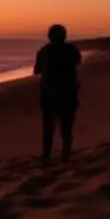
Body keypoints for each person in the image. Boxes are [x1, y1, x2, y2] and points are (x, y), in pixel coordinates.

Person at [33, 24, 82, 164]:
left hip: (49, 93)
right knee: (66, 127)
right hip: (68, 92)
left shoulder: (44, 51)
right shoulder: (71, 50)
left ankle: (46, 156)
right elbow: (78, 62)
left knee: (48, 127)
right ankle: (65, 155)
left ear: (49, 36)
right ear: (64, 36)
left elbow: (37, 70)